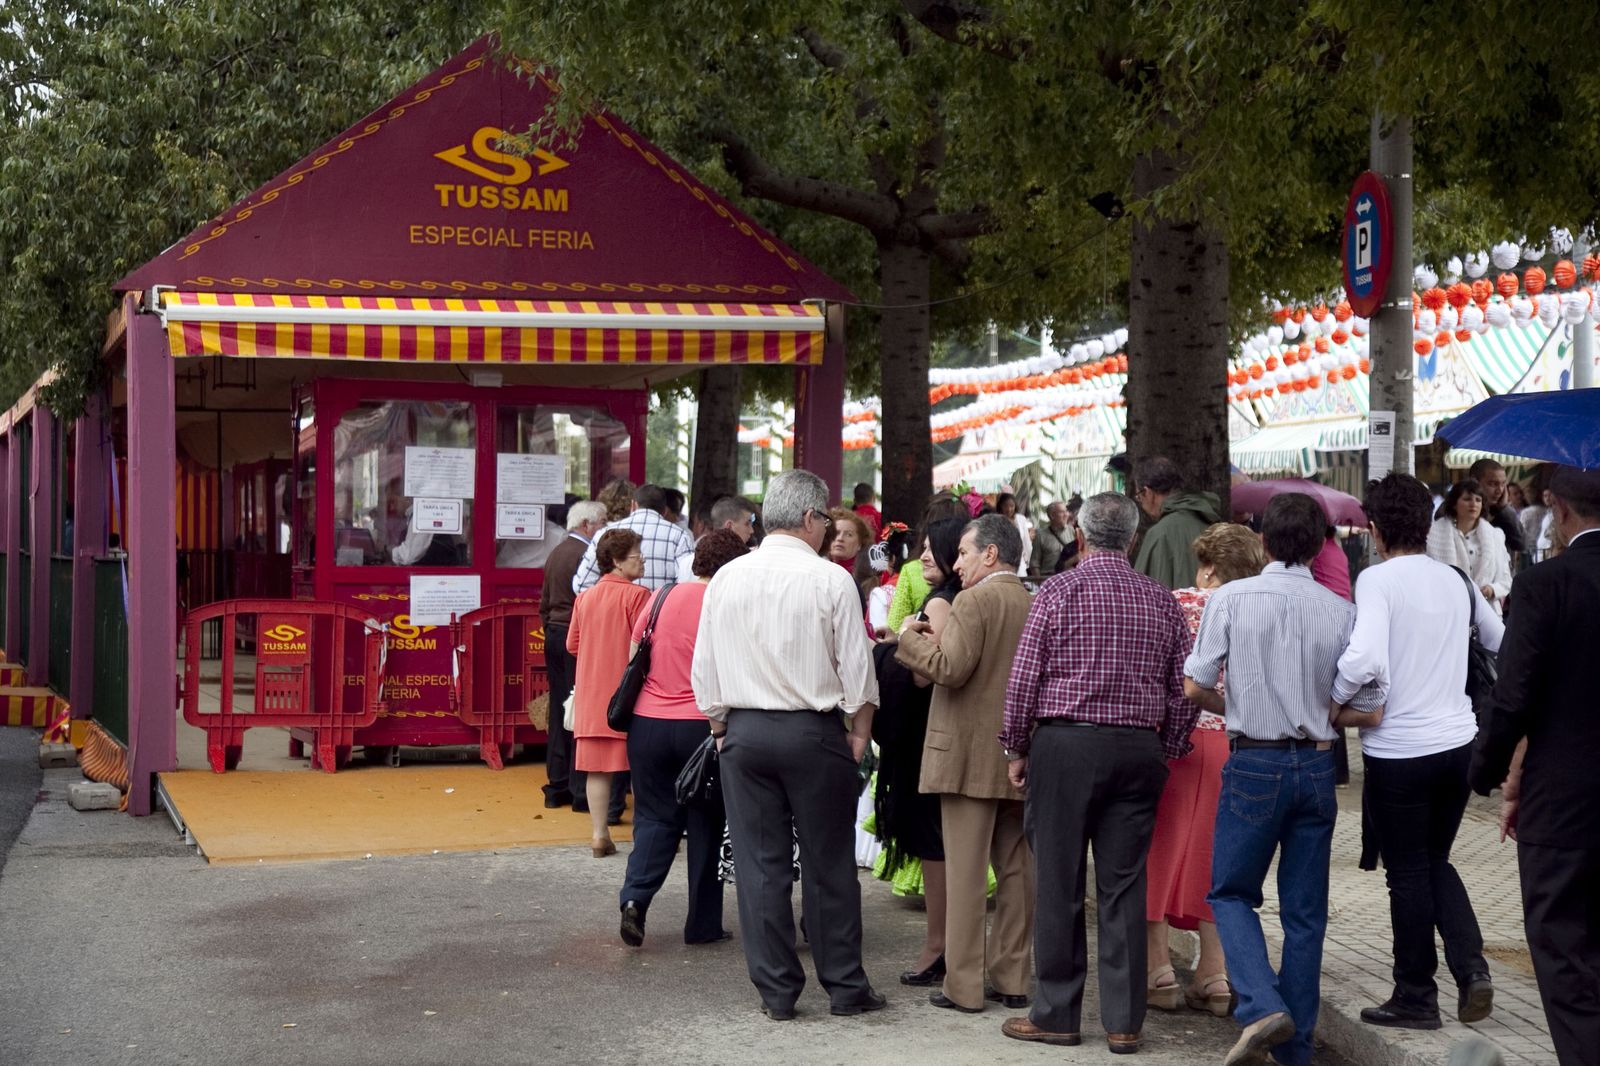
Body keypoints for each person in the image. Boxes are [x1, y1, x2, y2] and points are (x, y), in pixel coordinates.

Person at [1183, 493, 1383, 1066]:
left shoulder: (1231, 599)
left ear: (1263, 541)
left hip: (1254, 760)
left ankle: (1262, 1003)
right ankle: (1295, 1051)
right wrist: (1320, 711)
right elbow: (1370, 705)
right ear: (1320, 547)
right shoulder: (1341, 611)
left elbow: (1195, 685)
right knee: (1305, 914)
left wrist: (1241, 704)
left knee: (1230, 892)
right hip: (1317, 765)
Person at [998, 492, 1199, 1054]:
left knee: (1058, 882)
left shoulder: (1056, 591)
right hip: (1137, 749)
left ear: (1080, 536)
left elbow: (1025, 678)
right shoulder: (1160, 600)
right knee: (1124, 885)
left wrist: (1015, 746)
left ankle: (1057, 1014)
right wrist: (1167, 746)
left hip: (1065, 746)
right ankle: (1124, 1022)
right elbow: (1185, 686)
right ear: (1133, 540)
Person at [690, 469, 883, 1021]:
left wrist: (720, 729)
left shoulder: (727, 577)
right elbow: (858, 670)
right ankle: (844, 987)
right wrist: (860, 732)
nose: (828, 531)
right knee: (829, 866)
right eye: (825, 520)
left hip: (744, 733)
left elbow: (704, 668)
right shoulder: (830, 580)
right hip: (813, 732)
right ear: (808, 518)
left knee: (760, 867)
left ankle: (776, 992)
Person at [1333, 472, 1503, 1032]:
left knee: (1406, 872)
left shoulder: (1377, 580)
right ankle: (1472, 968)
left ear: (1376, 530)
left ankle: (1415, 995)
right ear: (1428, 524)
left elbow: (1363, 658)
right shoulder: (1455, 578)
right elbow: (1500, 639)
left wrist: (1334, 699)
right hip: (1458, 744)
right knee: (1433, 861)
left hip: (1400, 749)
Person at [1472, 465, 1600, 1066]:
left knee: (1563, 949)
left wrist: (1486, 770)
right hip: (1558, 786)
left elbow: (1514, 695)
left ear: (1560, 511)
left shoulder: (1547, 583)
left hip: (1564, 797)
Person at [895, 514, 1035, 1015]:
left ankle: (964, 986)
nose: (956, 563)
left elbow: (948, 669)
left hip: (965, 755)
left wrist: (908, 636)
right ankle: (1012, 978)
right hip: (1019, 753)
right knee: (1018, 871)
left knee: (966, 874)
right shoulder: (1033, 600)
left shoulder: (974, 600)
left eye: (963, 553)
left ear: (990, 554)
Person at [1145, 523, 1265, 1018]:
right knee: (1218, 859)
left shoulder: (1178, 603)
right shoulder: (1262, 611)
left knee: (1157, 850)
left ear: (1210, 568)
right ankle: (1214, 975)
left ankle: (1158, 970)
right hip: (1235, 744)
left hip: (1177, 739)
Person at [618, 529, 750, 948]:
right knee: (707, 823)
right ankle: (702, 925)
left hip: (647, 724)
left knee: (653, 819)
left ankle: (635, 899)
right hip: (702, 728)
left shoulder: (660, 597)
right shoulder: (726, 604)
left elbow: (633, 656)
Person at [871, 518, 964, 985]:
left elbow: (926, 674)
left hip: (927, 738)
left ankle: (938, 945)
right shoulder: (953, 597)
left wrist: (904, 635)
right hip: (934, 736)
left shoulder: (942, 602)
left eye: (932, 548)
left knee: (934, 844)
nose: (923, 555)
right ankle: (946, 946)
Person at [567, 528, 651, 857]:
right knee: (642, 769)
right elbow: (645, 645)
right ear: (617, 561)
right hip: (628, 696)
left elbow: (572, 644)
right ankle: (646, 837)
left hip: (592, 697)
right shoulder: (638, 596)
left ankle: (599, 835)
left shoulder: (585, 598)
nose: (642, 560)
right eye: (636, 555)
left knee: (596, 770)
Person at [538, 500, 607, 810]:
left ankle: (557, 785)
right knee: (580, 708)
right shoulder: (584, 555)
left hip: (554, 632)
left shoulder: (556, 552)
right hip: (574, 635)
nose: (604, 528)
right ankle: (580, 789)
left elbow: (544, 601)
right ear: (586, 524)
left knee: (559, 708)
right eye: (602, 522)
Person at [573, 484, 695, 594]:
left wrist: (611, 602)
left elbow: (582, 584)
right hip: (661, 611)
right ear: (665, 511)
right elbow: (688, 582)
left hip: (618, 610)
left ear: (633, 505)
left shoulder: (605, 533)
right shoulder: (679, 535)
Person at [1132, 456, 1224, 591]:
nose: (1141, 504)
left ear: (1148, 492)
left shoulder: (1159, 534)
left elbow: (1142, 592)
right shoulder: (1216, 525)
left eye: (1139, 497)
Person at [885, 494, 971, 632]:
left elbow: (896, 626)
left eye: (934, 548)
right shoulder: (974, 580)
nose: (923, 558)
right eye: (925, 548)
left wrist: (903, 633)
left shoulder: (939, 599)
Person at [1426, 479, 1513, 615]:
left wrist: (1491, 589)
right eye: (1467, 499)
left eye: (1478, 500)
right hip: (1447, 611)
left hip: (1486, 611)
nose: (1473, 504)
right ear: (1454, 504)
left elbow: (1506, 580)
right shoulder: (1433, 534)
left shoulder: (1495, 535)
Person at [676, 495, 757, 582]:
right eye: (747, 524)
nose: (751, 530)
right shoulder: (742, 563)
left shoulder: (686, 563)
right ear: (729, 526)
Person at [1467, 458, 1526, 556]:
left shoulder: (1501, 512)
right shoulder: (1454, 509)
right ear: (1474, 481)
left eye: (1503, 484)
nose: (1499, 490)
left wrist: (1504, 509)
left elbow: (1522, 545)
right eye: (1493, 484)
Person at [1030, 500, 1077, 576]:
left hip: (1068, 577)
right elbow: (1034, 564)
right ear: (1052, 516)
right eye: (1062, 512)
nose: (1066, 515)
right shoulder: (1041, 535)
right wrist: (1040, 581)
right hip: (1048, 577)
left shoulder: (1072, 531)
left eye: (1066, 511)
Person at [996, 493, 1034, 577]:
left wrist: (1028, 559)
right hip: (1002, 561)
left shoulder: (1021, 519)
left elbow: (1026, 541)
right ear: (1000, 506)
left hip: (1020, 560)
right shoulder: (996, 520)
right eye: (1005, 506)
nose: (1009, 509)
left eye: (1011, 506)